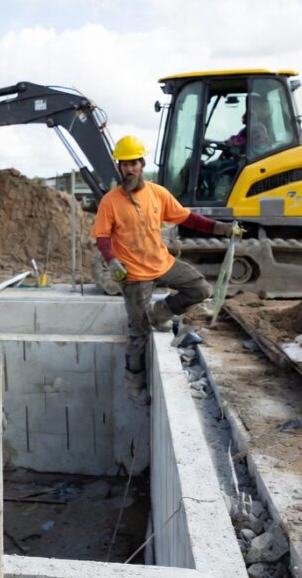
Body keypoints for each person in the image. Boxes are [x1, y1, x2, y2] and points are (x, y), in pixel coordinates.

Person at [91, 135, 237, 405]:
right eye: (124, 164)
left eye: (134, 163)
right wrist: (112, 261)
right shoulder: (110, 202)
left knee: (200, 288)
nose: (129, 169)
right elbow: (102, 237)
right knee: (138, 333)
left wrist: (222, 228)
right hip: (134, 275)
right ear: (120, 168)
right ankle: (134, 383)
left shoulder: (157, 193)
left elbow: (188, 217)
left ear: (142, 164)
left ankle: (161, 312)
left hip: (161, 262)